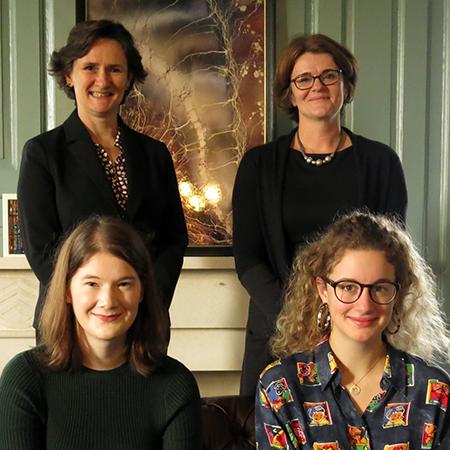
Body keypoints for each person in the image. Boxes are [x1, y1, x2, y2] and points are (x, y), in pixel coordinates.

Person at [232, 33, 408, 395]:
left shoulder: (381, 163)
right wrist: (300, 320)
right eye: (304, 79)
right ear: (290, 93)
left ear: (346, 85)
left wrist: (342, 318)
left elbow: (392, 256)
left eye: (330, 75)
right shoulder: (258, 165)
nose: (318, 86)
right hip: (275, 329)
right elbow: (248, 259)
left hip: (360, 329)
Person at [17, 20, 187, 335]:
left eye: (115, 69)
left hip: (143, 322)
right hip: (69, 324)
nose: (102, 80)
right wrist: (92, 304)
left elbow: (174, 239)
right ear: (69, 75)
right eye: (90, 67)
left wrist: (145, 299)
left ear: (129, 78)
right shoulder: (43, 153)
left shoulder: (155, 154)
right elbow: (41, 250)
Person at [0, 217, 201, 450]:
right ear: (67, 291)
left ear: (142, 291)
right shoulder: (24, 379)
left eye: (124, 284)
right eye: (92, 284)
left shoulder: (176, 385)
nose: (107, 301)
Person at [255, 211, 450, 449]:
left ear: (397, 294)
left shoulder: (435, 389)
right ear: (323, 290)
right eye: (348, 287)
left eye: (380, 288)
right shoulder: (280, 386)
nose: (365, 305)